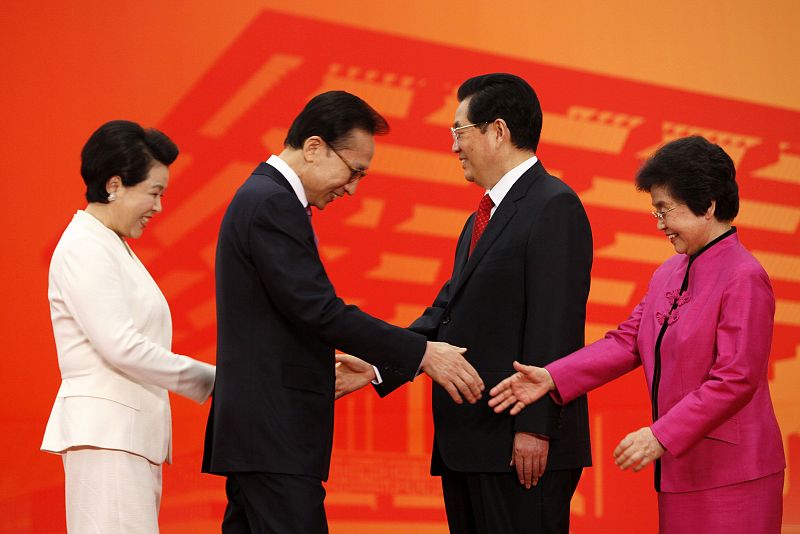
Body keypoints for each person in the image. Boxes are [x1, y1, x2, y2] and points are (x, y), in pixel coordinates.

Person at [202, 90, 484, 534]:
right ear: (314, 148)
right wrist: (421, 353)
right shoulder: (271, 202)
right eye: (353, 172)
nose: (352, 188)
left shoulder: (266, 198)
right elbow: (319, 311)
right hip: (274, 433)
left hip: (263, 434)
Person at [489, 136, 785, 533]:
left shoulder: (745, 277)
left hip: (735, 476)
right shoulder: (668, 273)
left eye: (665, 209)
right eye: (655, 210)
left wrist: (661, 435)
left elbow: (736, 379)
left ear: (708, 204)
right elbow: (627, 341)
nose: (659, 222)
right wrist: (553, 376)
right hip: (681, 468)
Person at [338, 73, 593, 533]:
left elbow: (555, 327)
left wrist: (535, 427)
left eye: (459, 131)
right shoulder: (484, 215)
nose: (453, 146)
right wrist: (380, 363)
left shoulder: (554, 205)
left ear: (497, 131)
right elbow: (447, 312)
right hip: (472, 443)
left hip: (519, 447)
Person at [41, 120, 217, 534]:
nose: (158, 207)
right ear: (114, 184)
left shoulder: (109, 243)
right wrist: (212, 380)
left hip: (125, 438)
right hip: (108, 436)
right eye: (154, 193)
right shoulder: (85, 245)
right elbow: (121, 345)